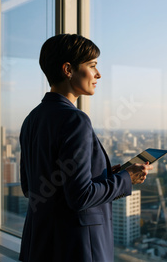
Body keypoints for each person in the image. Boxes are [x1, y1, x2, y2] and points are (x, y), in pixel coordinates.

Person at [19, 34, 152, 262]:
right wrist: (126, 179)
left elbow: (29, 187)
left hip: (40, 244)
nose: (98, 74)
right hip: (78, 247)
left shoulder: (32, 118)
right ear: (68, 69)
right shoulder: (74, 120)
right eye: (92, 66)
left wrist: (106, 175)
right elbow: (80, 196)